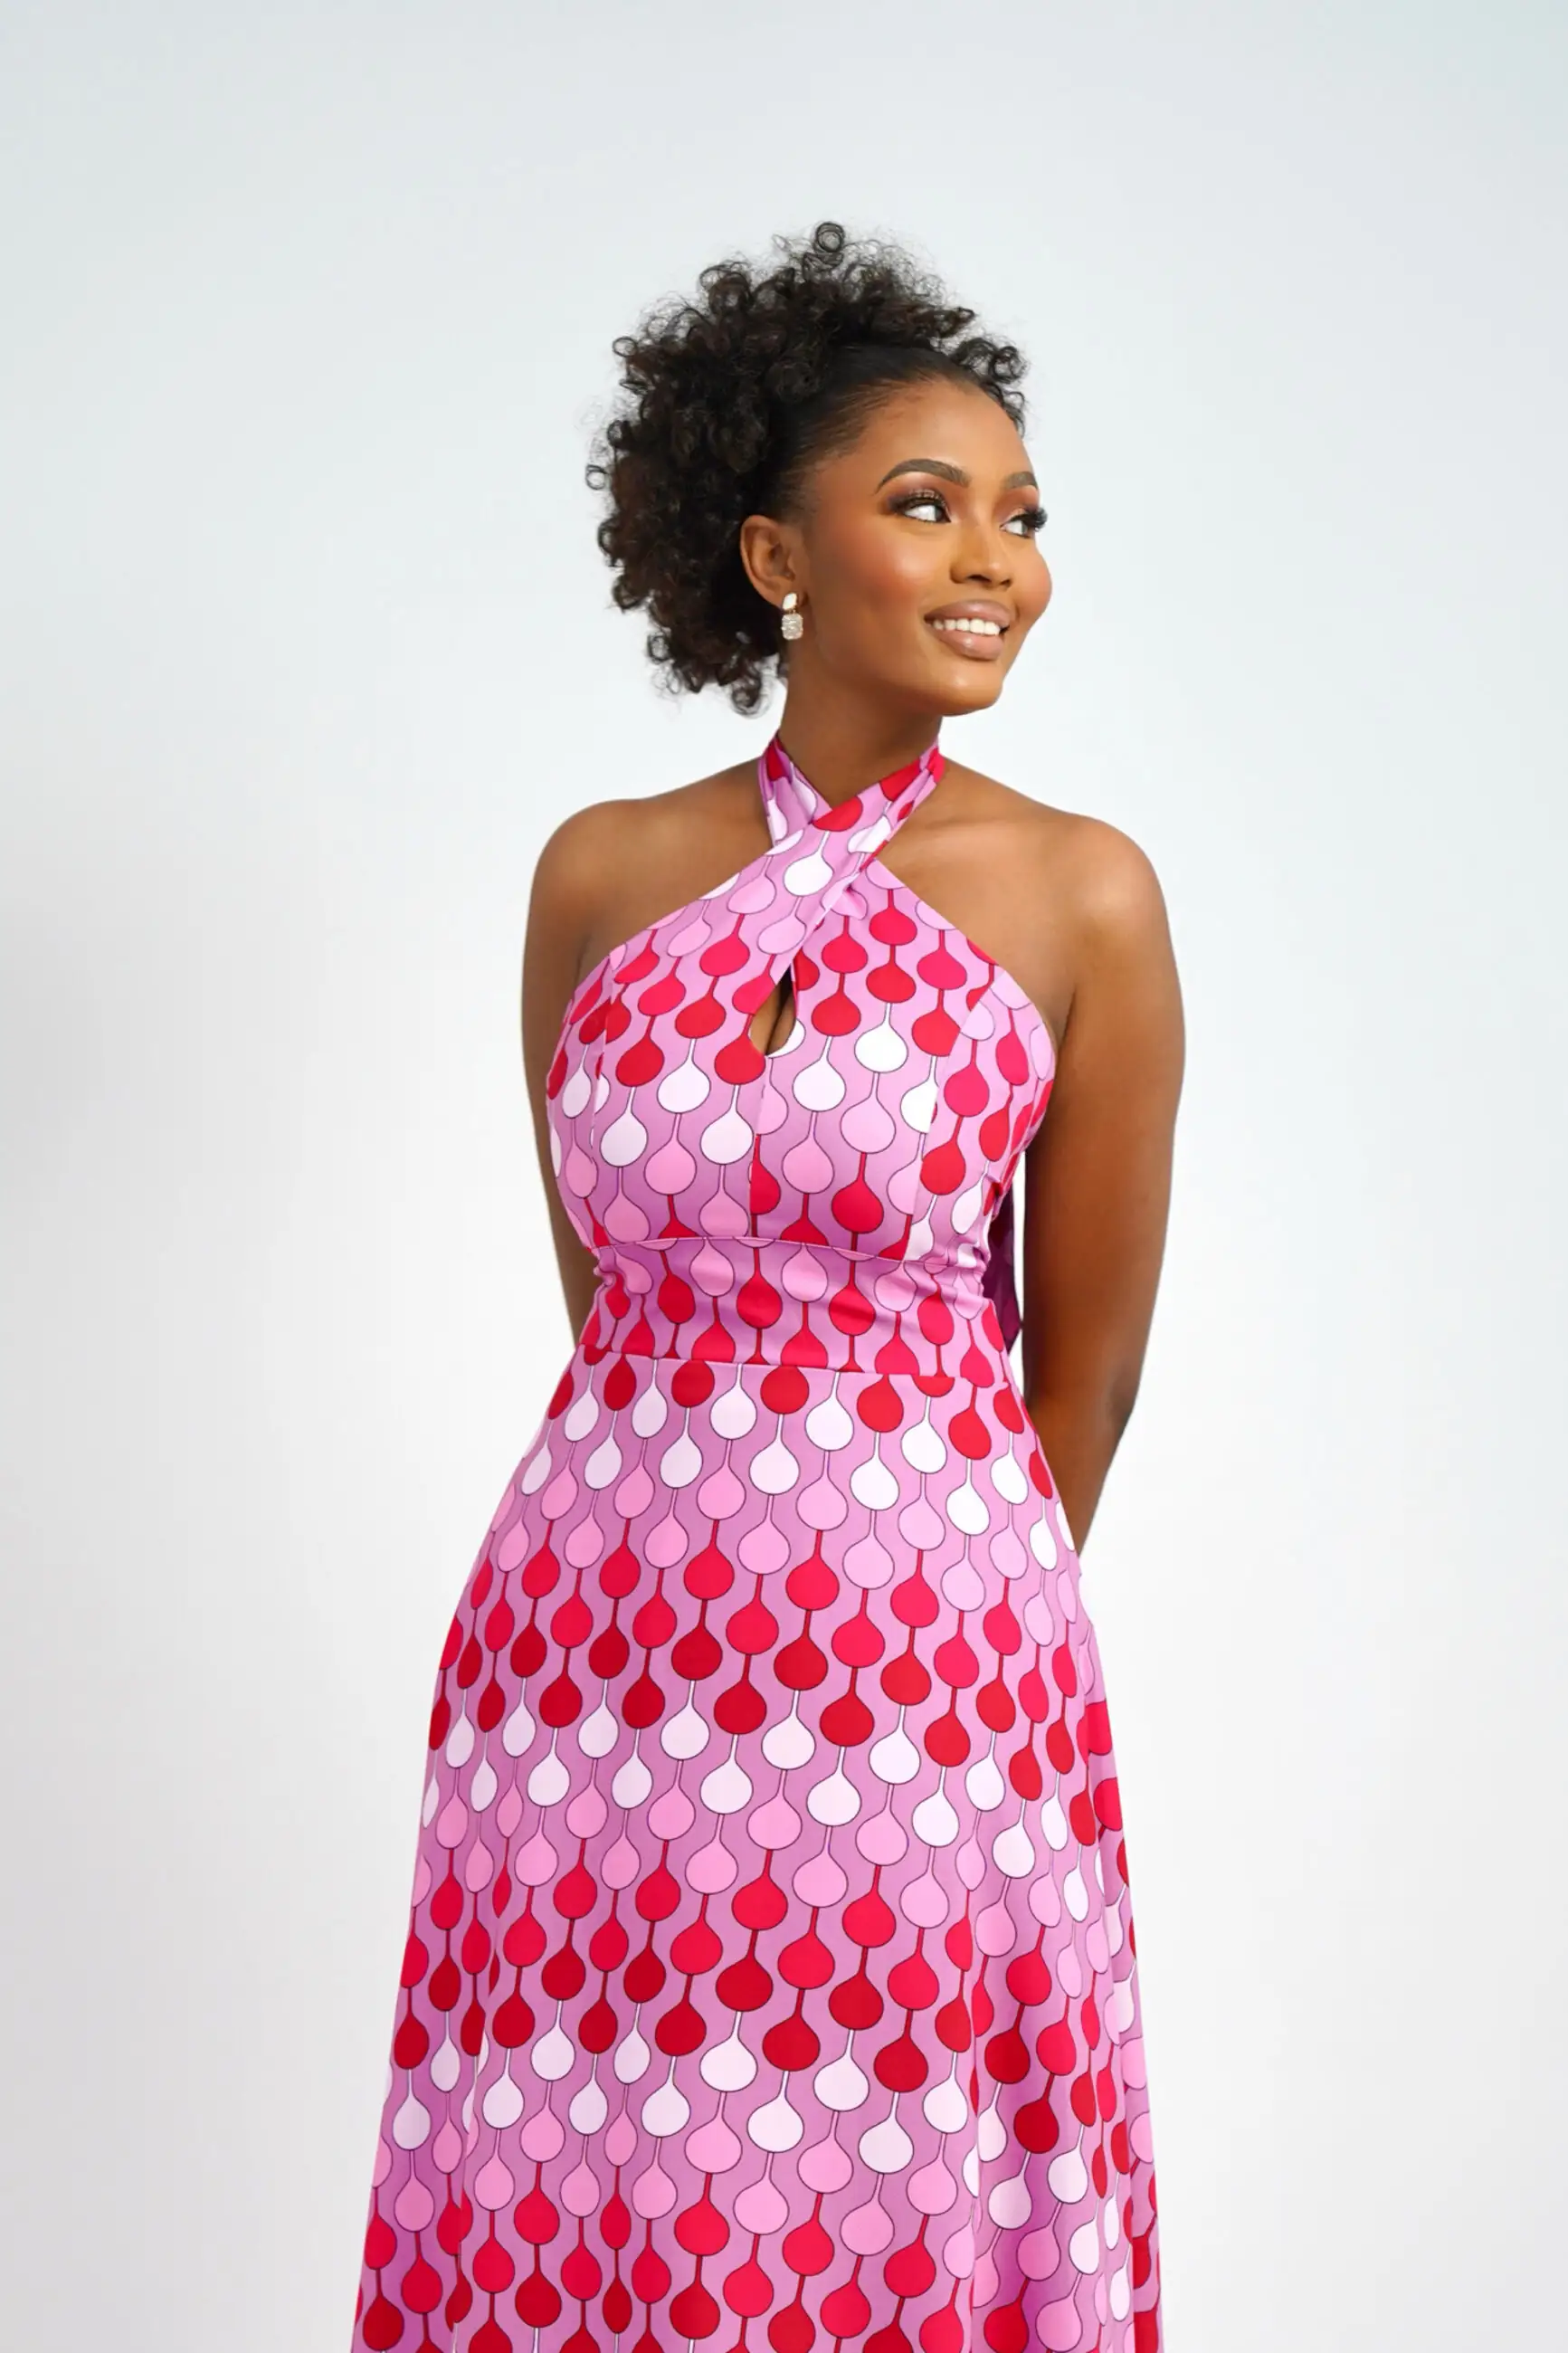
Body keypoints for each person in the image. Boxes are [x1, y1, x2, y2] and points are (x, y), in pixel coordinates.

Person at [352, 219, 1182, 2353]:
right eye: (926, 504)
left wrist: (912, 1615)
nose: (994, 561)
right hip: (587, 1667)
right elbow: (612, 1312)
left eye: (1018, 516)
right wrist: (708, 1551)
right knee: (599, 2176)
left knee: (868, 2184)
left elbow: (1082, 1383)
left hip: (921, 1664)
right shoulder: (599, 873)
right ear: (770, 555)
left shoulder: (1080, 893)